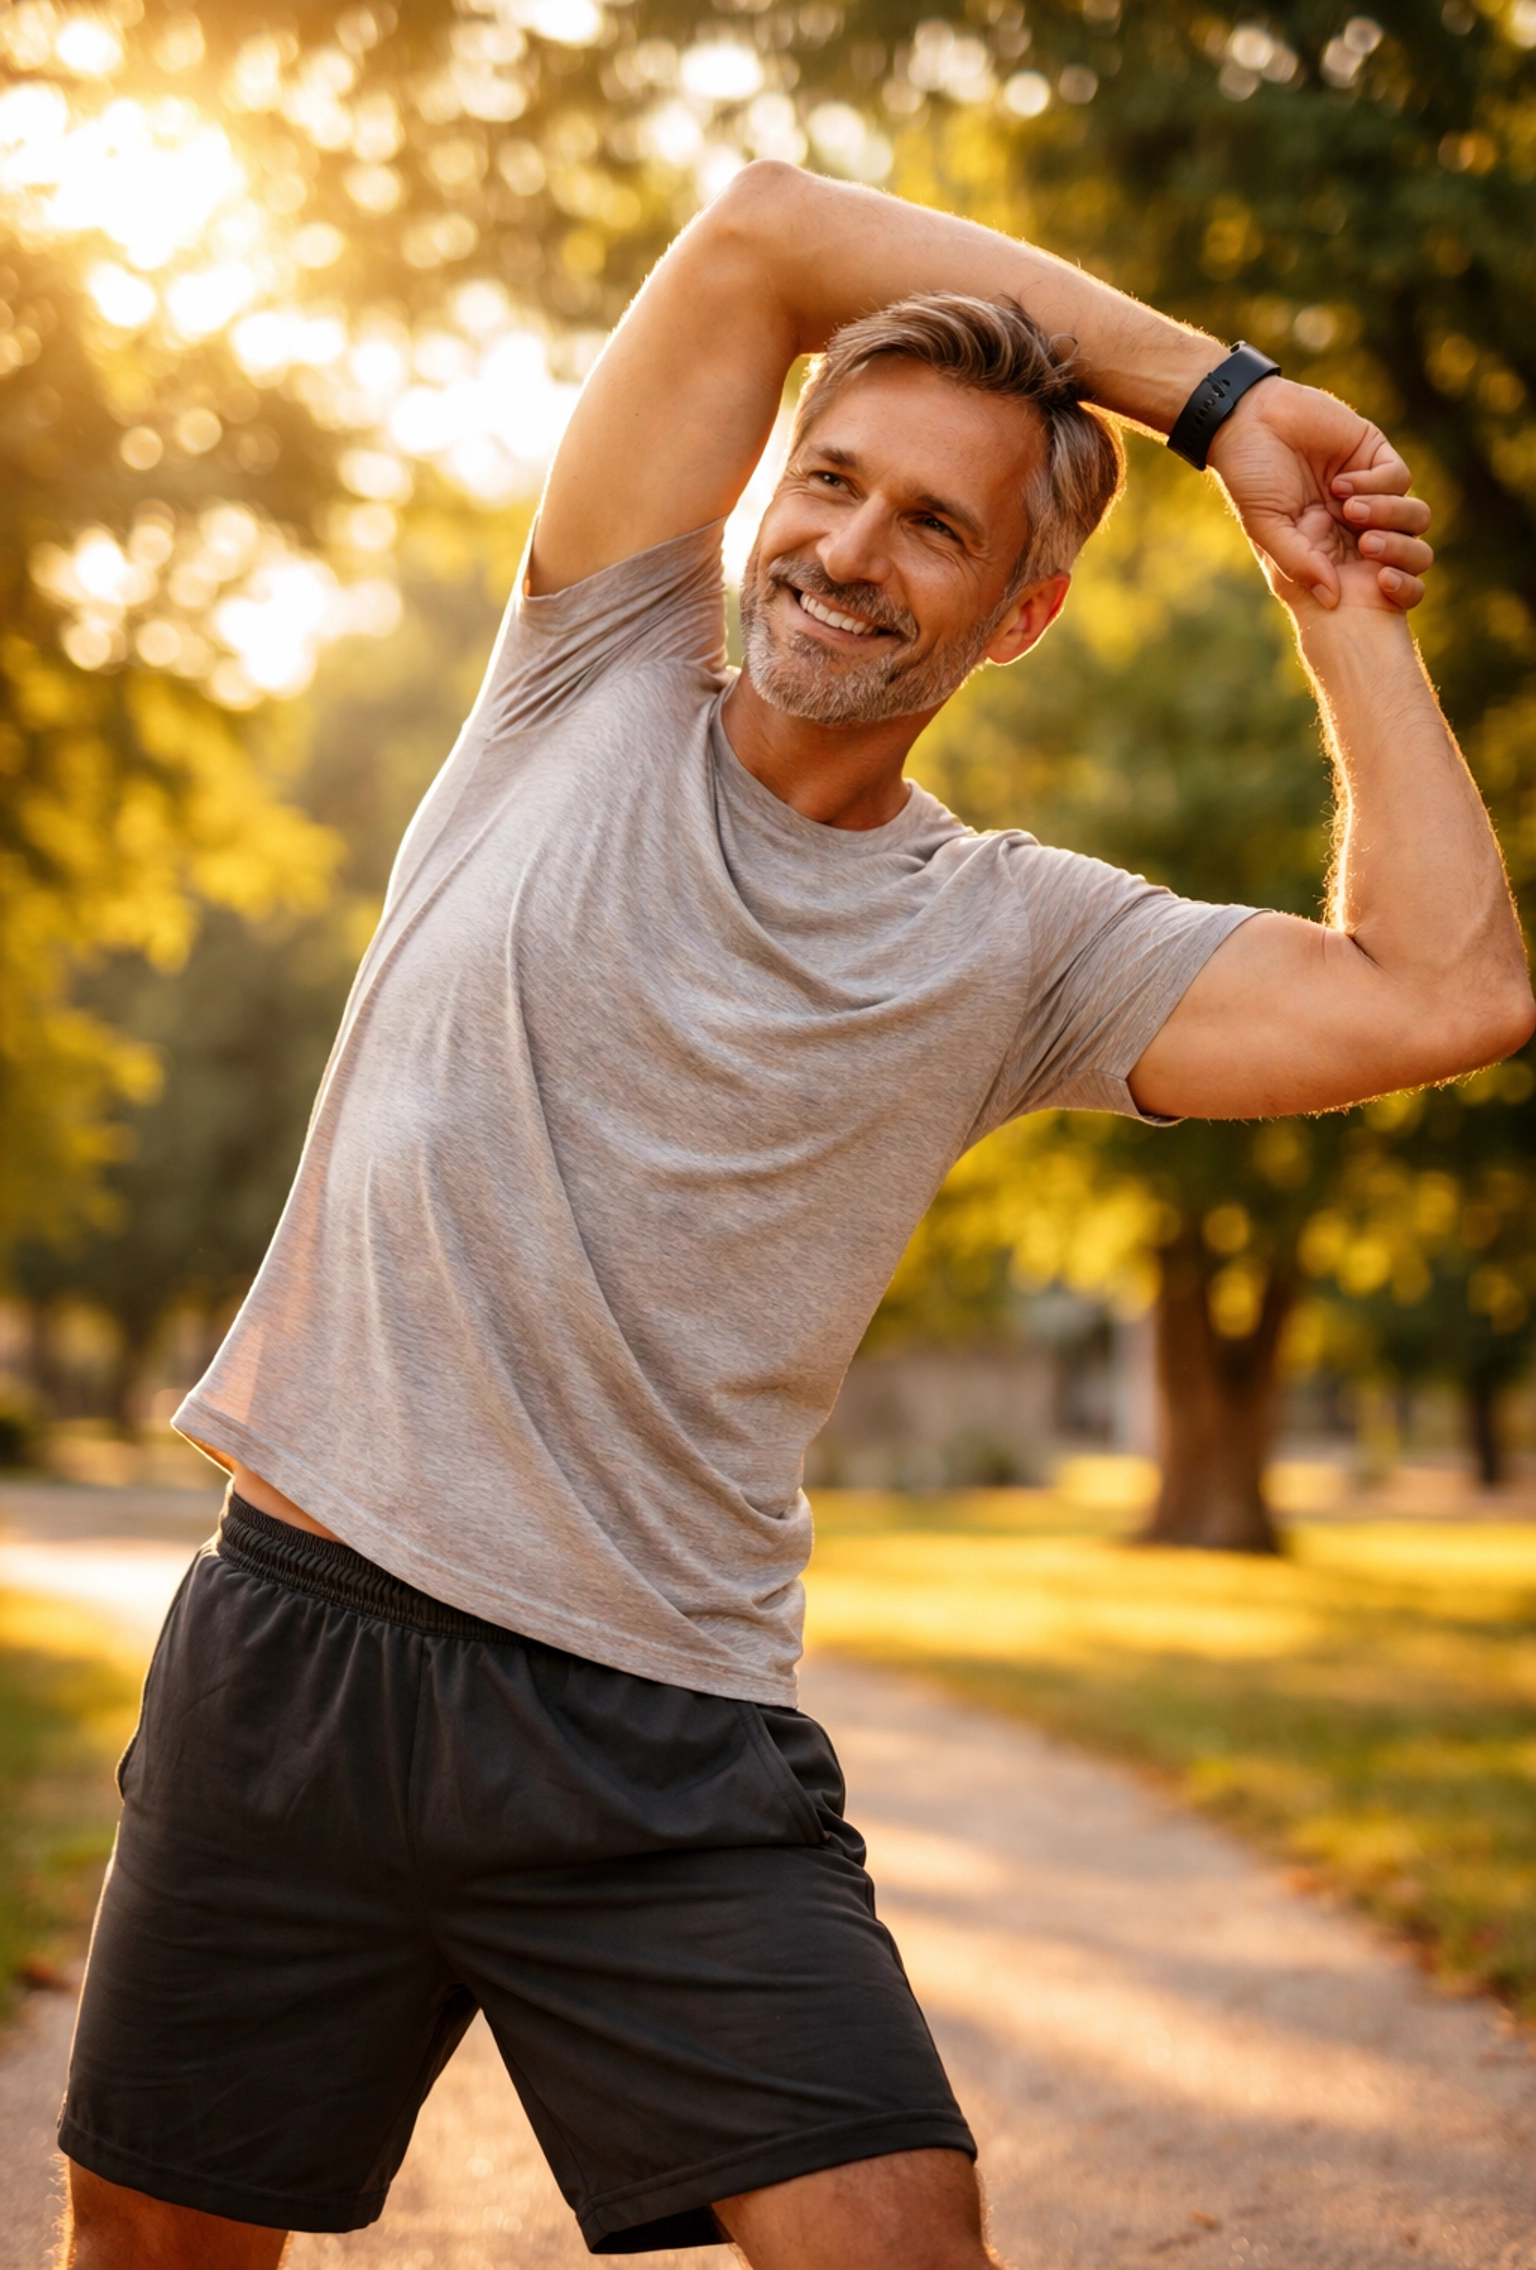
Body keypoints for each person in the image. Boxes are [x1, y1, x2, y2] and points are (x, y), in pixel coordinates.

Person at [58, 163, 1531, 2270]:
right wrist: (1222, 403)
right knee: (146, 2250)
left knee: (901, 2237)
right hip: (296, 1652)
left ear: (1017, 616)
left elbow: (1449, 991)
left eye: (934, 525)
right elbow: (762, 229)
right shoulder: (581, 679)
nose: (847, 549)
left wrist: (1336, 601)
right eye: (827, 484)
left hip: (654, 1738)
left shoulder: (1013, 938)